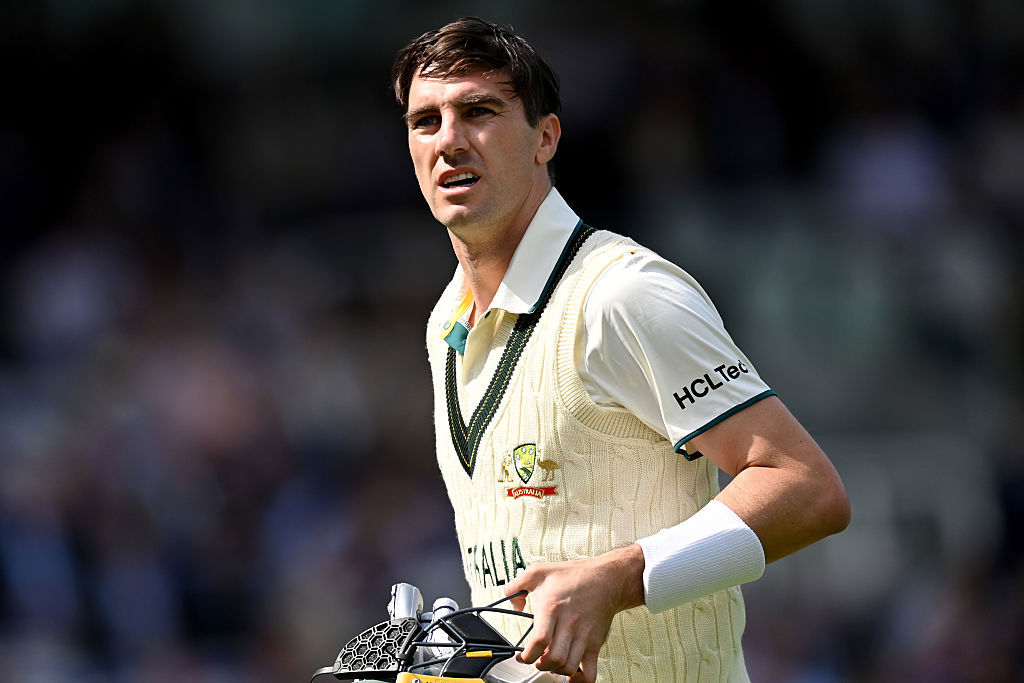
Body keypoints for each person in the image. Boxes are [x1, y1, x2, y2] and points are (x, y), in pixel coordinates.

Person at [392, 17, 850, 683]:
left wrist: (619, 577)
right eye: (425, 121)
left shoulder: (622, 295)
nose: (450, 141)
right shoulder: (445, 323)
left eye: (478, 111)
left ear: (546, 136)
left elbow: (810, 489)